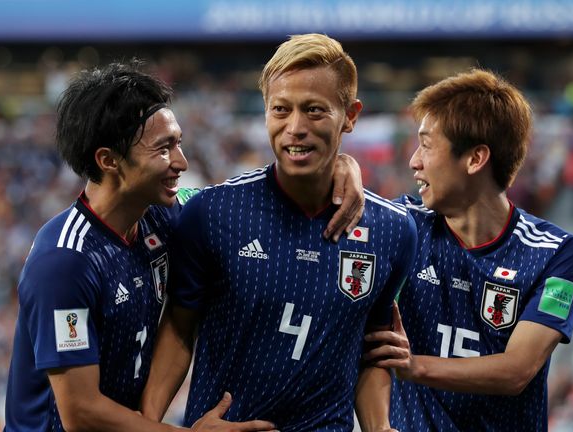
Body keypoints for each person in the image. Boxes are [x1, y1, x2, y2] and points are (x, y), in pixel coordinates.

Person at [4, 60, 360, 432]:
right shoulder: (65, 261)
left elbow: (232, 201)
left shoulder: (162, 215)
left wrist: (338, 164)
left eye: (178, 143)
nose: (181, 162)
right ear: (108, 160)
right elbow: (81, 412)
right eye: (163, 149)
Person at [141, 34, 417, 431]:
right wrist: (150, 425)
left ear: (350, 115)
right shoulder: (212, 212)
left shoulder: (393, 230)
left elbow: (372, 349)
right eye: (281, 110)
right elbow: (179, 328)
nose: (295, 128)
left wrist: (380, 427)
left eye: (315, 110)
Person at [363, 69, 573, 431]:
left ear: (475, 159)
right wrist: (343, 165)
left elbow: (516, 370)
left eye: (426, 144)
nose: (414, 161)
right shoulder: (401, 225)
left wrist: (412, 366)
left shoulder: (558, 254)